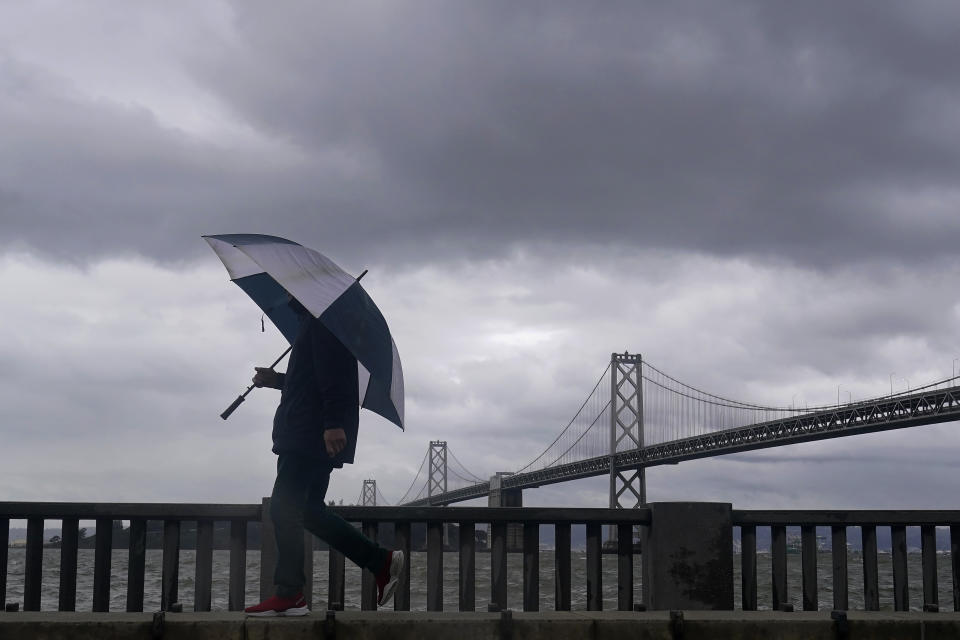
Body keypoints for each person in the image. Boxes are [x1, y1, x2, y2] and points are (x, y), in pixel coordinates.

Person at [244, 296, 404, 617]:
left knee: (283, 507)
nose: (286, 294)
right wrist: (277, 381)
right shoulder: (314, 324)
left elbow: (336, 379)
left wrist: (333, 423)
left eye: (290, 289)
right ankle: (380, 561)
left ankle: (290, 594)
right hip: (311, 432)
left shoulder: (322, 323)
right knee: (309, 511)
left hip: (308, 434)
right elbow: (311, 381)